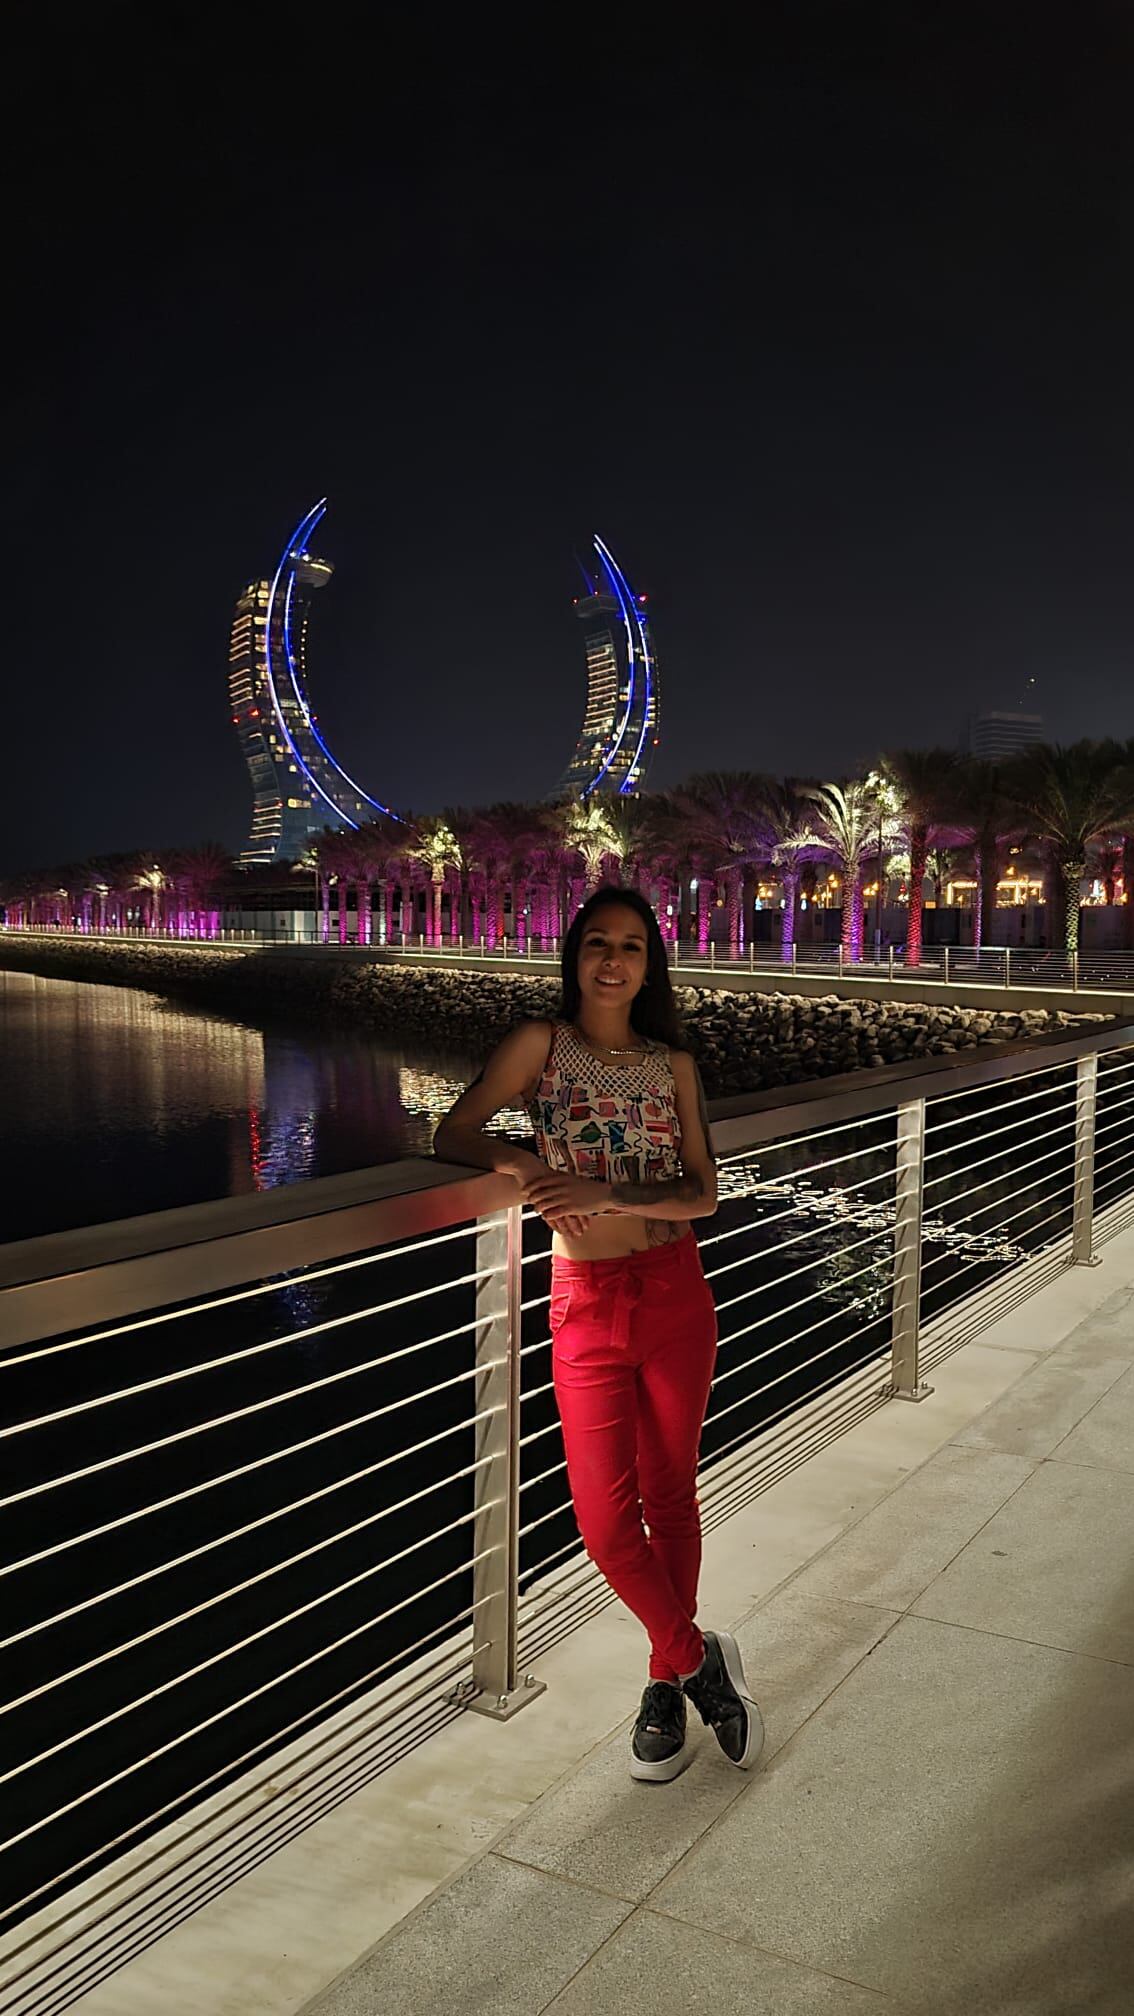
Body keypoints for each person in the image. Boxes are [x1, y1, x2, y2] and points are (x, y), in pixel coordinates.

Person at [434, 885, 763, 1783]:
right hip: (582, 1298)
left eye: (630, 946)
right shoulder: (540, 1045)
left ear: (650, 964)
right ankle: (701, 1665)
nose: (612, 961)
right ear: (574, 955)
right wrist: (527, 1163)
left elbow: (704, 1193)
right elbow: (453, 1130)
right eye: (596, 944)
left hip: (672, 1292)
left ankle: (664, 1681)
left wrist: (605, 1194)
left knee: (670, 1492)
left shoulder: (674, 1064)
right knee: (605, 1523)